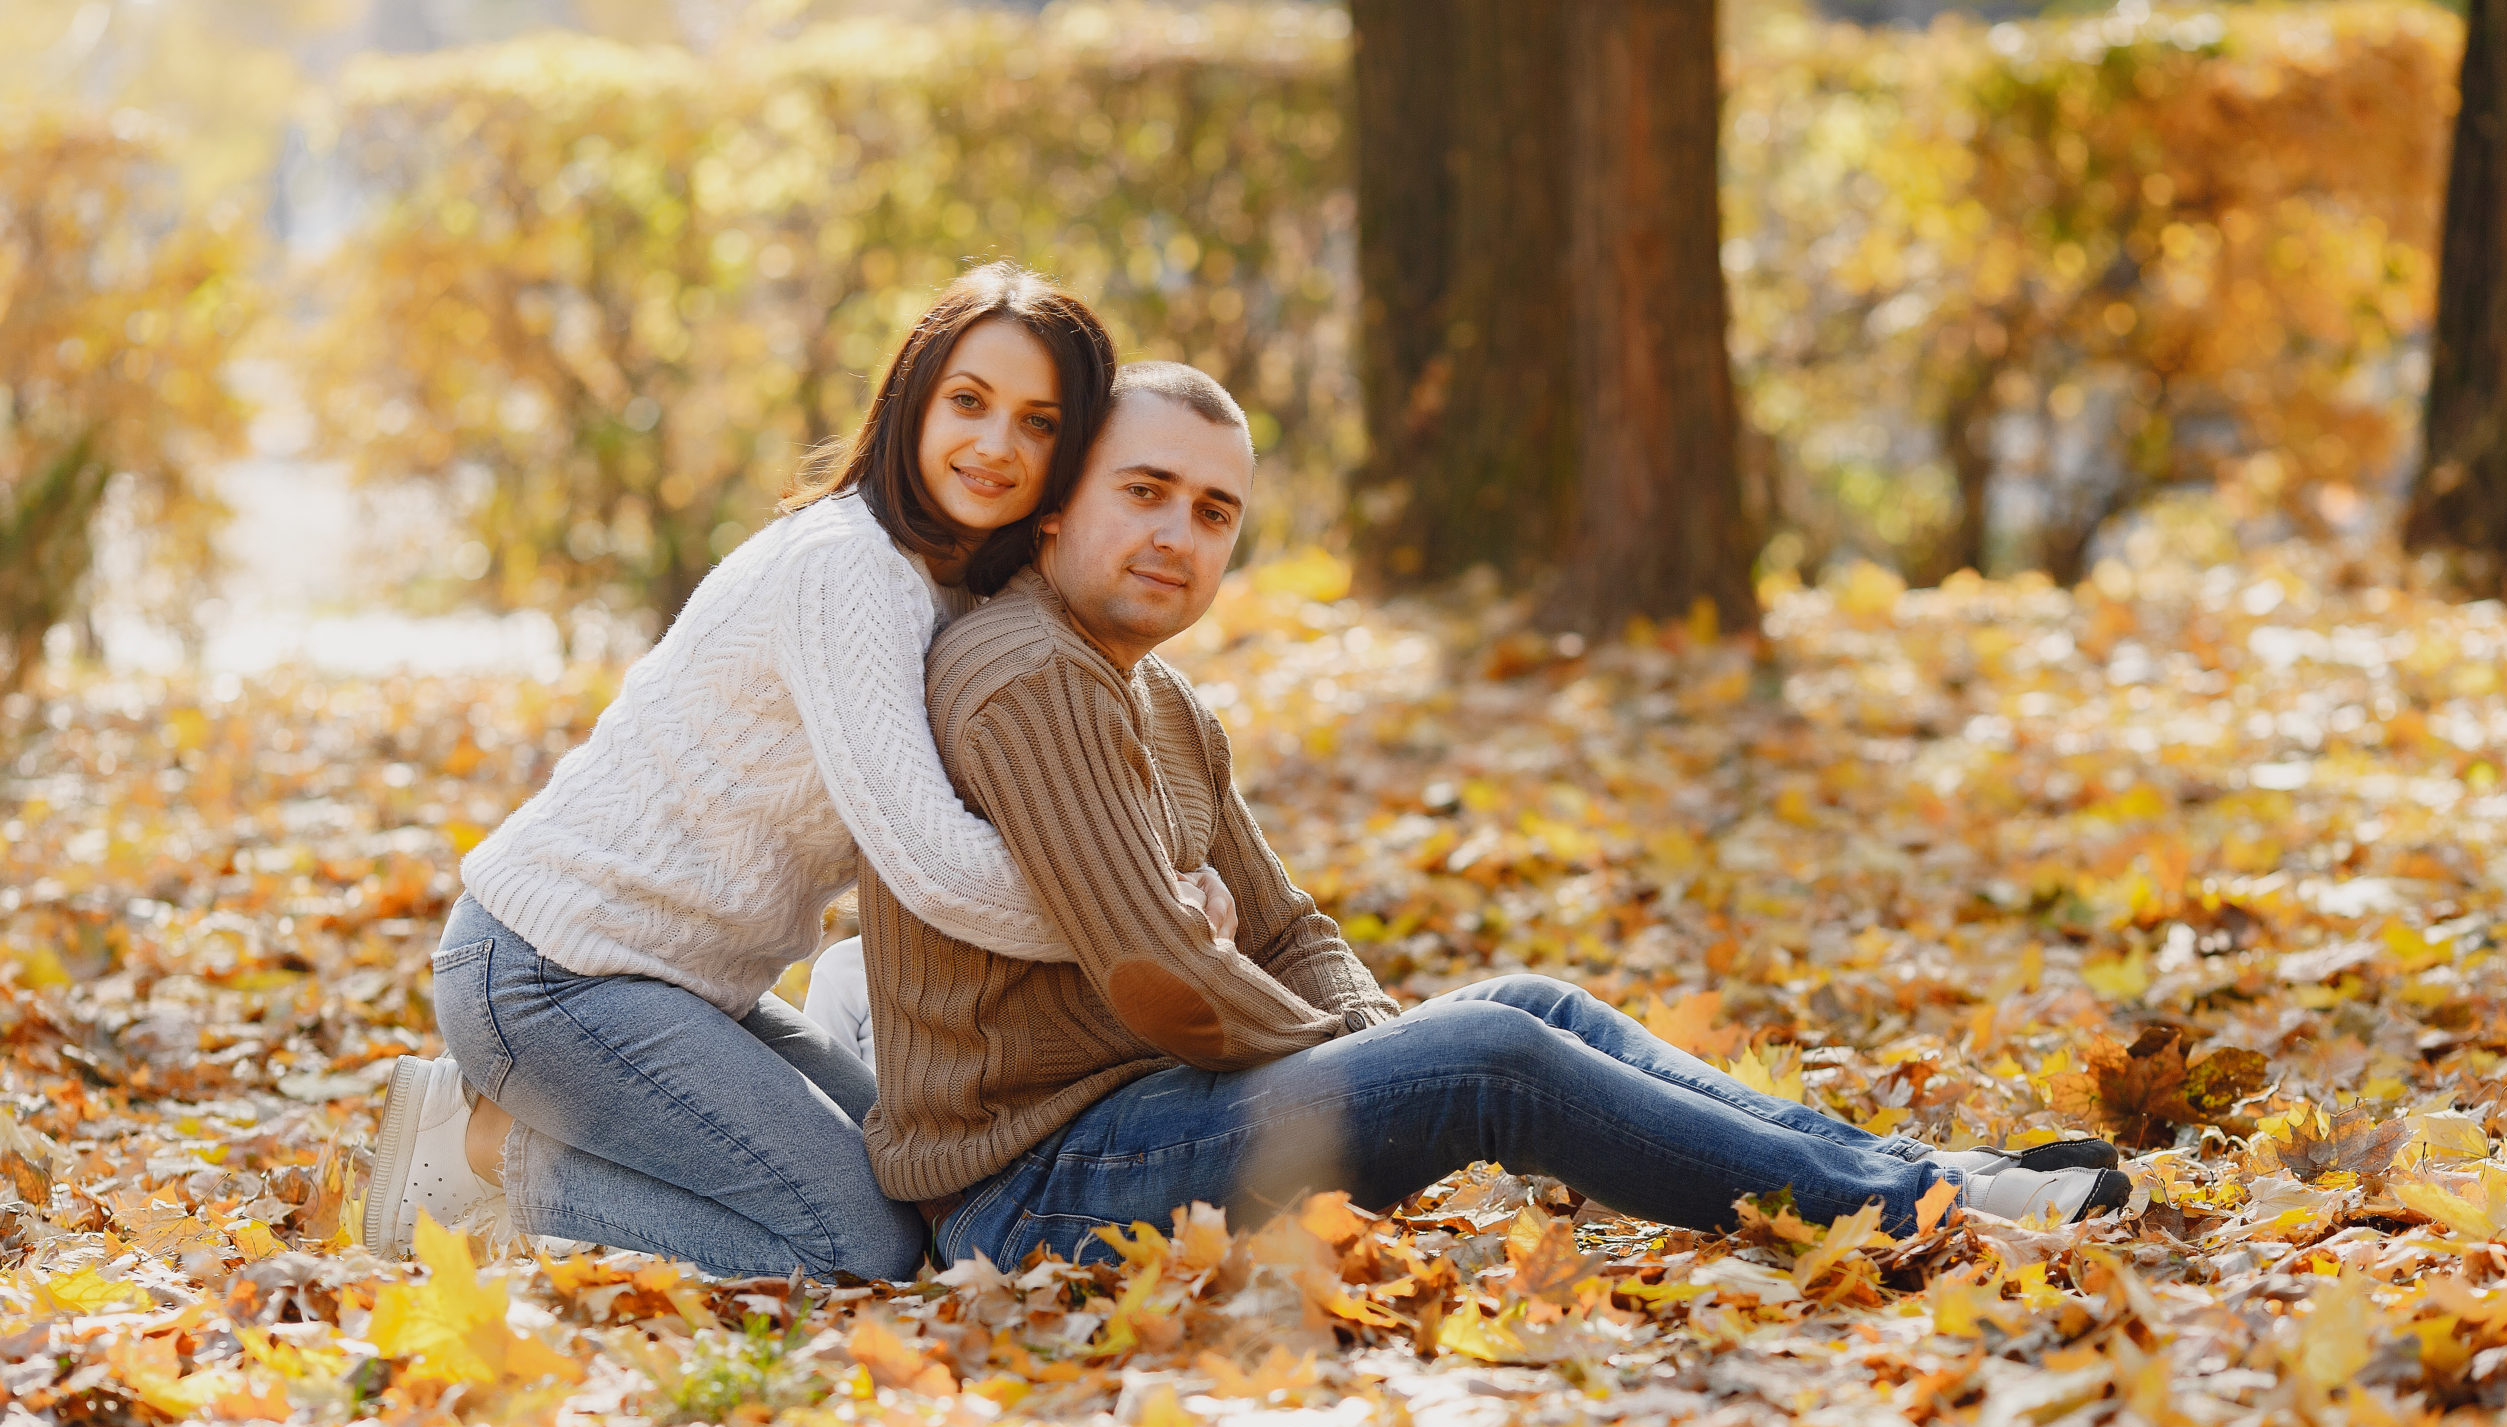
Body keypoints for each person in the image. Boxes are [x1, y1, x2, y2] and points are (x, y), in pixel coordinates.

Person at [855, 362, 2132, 1271]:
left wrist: (1366, 1037)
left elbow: (1284, 924)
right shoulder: (1027, 674)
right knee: (1488, 1057)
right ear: (1060, 502)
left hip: (1148, 1124)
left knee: (1528, 1006)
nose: (1176, 535)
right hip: (1034, 1194)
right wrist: (1386, 1056)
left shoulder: (1163, 697)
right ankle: (1917, 1211)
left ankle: (1923, 1174)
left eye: (1212, 512)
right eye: (1144, 491)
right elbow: (1168, 979)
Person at [365, 264, 1149, 1280]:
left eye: (1039, 423)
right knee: (858, 1246)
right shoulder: (846, 567)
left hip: (689, 988)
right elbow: (936, 865)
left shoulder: (957, 593)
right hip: (550, 972)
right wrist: (1135, 932)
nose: (995, 445)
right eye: (969, 401)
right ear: (914, 396)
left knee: (921, 1185)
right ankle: (486, 1155)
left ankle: (563, 1141)